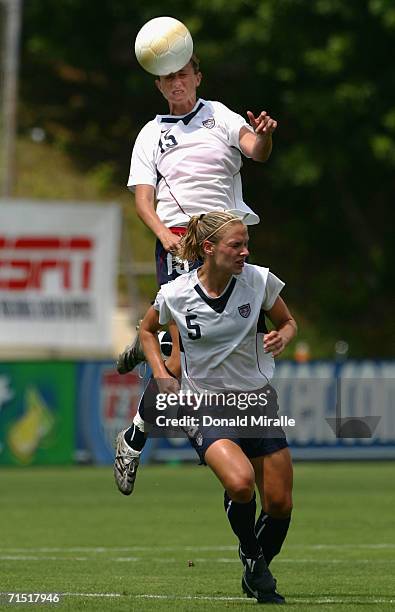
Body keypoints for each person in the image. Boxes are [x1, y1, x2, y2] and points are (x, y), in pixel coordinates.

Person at [115, 211, 297, 603]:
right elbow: (147, 330)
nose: (245, 251)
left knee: (280, 504)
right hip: (204, 405)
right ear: (210, 249)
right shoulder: (176, 293)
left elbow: (288, 322)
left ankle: (256, 564)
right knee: (240, 482)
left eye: (246, 243)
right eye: (237, 245)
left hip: (257, 402)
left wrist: (282, 336)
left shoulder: (258, 281)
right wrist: (162, 374)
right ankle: (251, 557)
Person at [115, 53, 278, 480]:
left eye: (183, 75)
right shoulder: (151, 134)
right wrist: (164, 236)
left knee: (235, 346)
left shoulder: (219, 116)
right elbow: (142, 201)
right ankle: (148, 426)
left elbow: (255, 151)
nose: (176, 83)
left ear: (197, 77)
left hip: (227, 241)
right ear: (159, 86)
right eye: (167, 78)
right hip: (180, 242)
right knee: (174, 362)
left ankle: (136, 430)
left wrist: (262, 137)